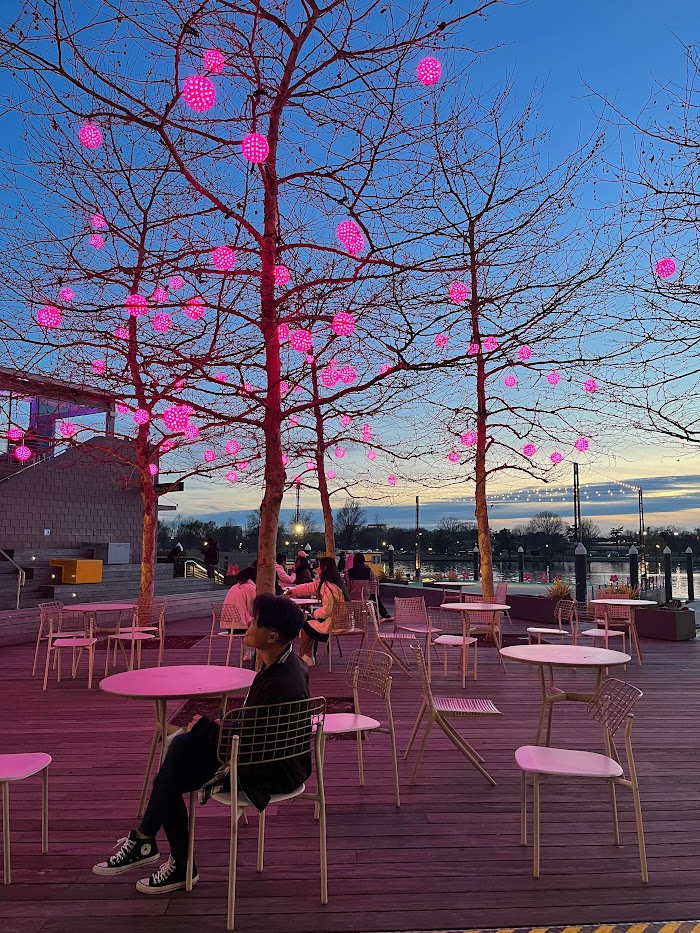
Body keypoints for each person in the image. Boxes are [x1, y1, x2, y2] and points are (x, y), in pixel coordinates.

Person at [92, 594, 310, 895]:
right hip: (270, 758)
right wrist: (209, 730)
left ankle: (160, 851)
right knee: (179, 752)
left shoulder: (279, 685)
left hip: (267, 772)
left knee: (174, 766)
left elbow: (249, 747)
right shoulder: (285, 667)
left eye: (255, 622)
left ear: (271, 636)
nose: (247, 624)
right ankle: (152, 846)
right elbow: (257, 731)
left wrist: (207, 729)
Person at [287, 556, 350, 666]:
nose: (317, 569)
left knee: (306, 625)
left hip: (335, 622)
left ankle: (304, 656)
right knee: (308, 624)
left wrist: (313, 614)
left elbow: (327, 610)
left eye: (319, 567)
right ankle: (307, 656)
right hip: (341, 620)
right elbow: (310, 587)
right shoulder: (333, 583)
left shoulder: (328, 587)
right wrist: (293, 591)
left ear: (324, 568)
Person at [346, 552, 390, 618]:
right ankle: (382, 614)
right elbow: (373, 582)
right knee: (374, 596)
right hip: (366, 596)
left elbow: (348, 587)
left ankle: (377, 614)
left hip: (353, 596)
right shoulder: (368, 571)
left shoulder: (349, 572)